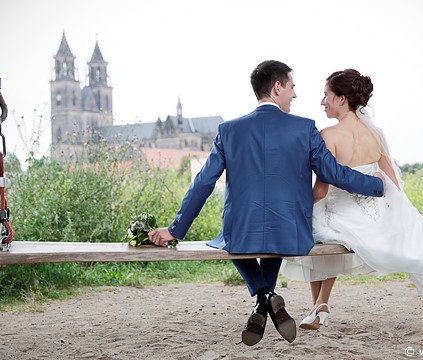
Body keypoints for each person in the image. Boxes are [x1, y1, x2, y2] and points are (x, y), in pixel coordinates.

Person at [148, 61, 385, 346]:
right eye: (292, 87)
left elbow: (204, 182)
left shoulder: (228, 130)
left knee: (232, 240)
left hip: (240, 232)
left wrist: (176, 229)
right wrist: (376, 186)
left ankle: (263, 297)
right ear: (277, 88)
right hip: (291, 232)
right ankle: (266, 298)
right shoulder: (305, 128)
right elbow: (333, 173)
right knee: (274, 231)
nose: (295, 95)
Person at [281, 69, 423, 331]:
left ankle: (320, 304)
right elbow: (392, 182)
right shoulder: (375, 134)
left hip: (339, 208)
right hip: (372, 211)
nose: (322, 101)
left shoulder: (328, 136)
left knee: (317, 224)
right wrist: (397, 214)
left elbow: (321, 191)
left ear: (341, 99)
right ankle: (320, 306)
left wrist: (293, 207)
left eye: (326, 95)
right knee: (326, 230)